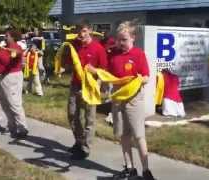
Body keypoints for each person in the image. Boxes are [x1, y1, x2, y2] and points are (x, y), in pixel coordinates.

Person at [107, 20, 155, 180]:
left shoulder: (139, 54)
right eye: (119, 39)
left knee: (139, 135)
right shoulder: (113, 53)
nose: (121, 43)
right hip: (118, 99)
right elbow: (106, 73)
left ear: (133, 38)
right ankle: (129, 168)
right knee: (123, 135)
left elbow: (147, 76)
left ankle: (146, 170)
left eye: (124, 39)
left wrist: (141, 79)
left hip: (134, 100)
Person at [65, 20, 108, 160]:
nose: (80, 34)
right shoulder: (74, 46)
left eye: (83, 31)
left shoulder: (98, 48)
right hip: (75, 85)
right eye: (78, 31)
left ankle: (85, 147)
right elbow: (69, 63)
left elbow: (103, 70)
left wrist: (97, 83)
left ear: (90, 30)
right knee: (72, 115)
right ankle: (79, 141)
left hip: (90, 87)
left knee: (89, 119)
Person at [0, 29, 28, 138]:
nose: (4, 37)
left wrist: (13, 53)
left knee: (14, 103)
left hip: (11, 77)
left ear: (13, 37)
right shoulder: (3, 47)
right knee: (5, 103)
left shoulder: (15, 47)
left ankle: (22, 128)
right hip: (0, 77)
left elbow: (17, 54)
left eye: (7, 36)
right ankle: (12, 126)